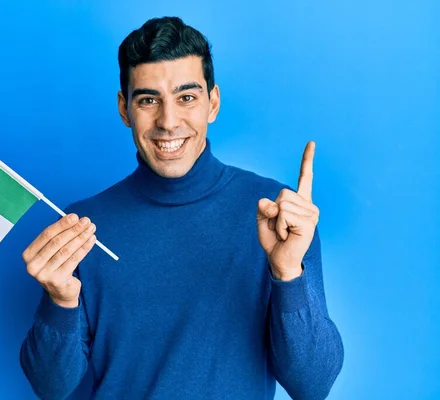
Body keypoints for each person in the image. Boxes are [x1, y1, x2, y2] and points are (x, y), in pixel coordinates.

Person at [19, 16, 344, 400]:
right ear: (124, 109)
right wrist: (60, 302)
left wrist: (288, 273)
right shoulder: (82, 226)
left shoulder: (279, 217)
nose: (168, 122)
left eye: (186, 97)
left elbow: (313, 384)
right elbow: (51, 388)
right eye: (148, 100)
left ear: (213, 103)